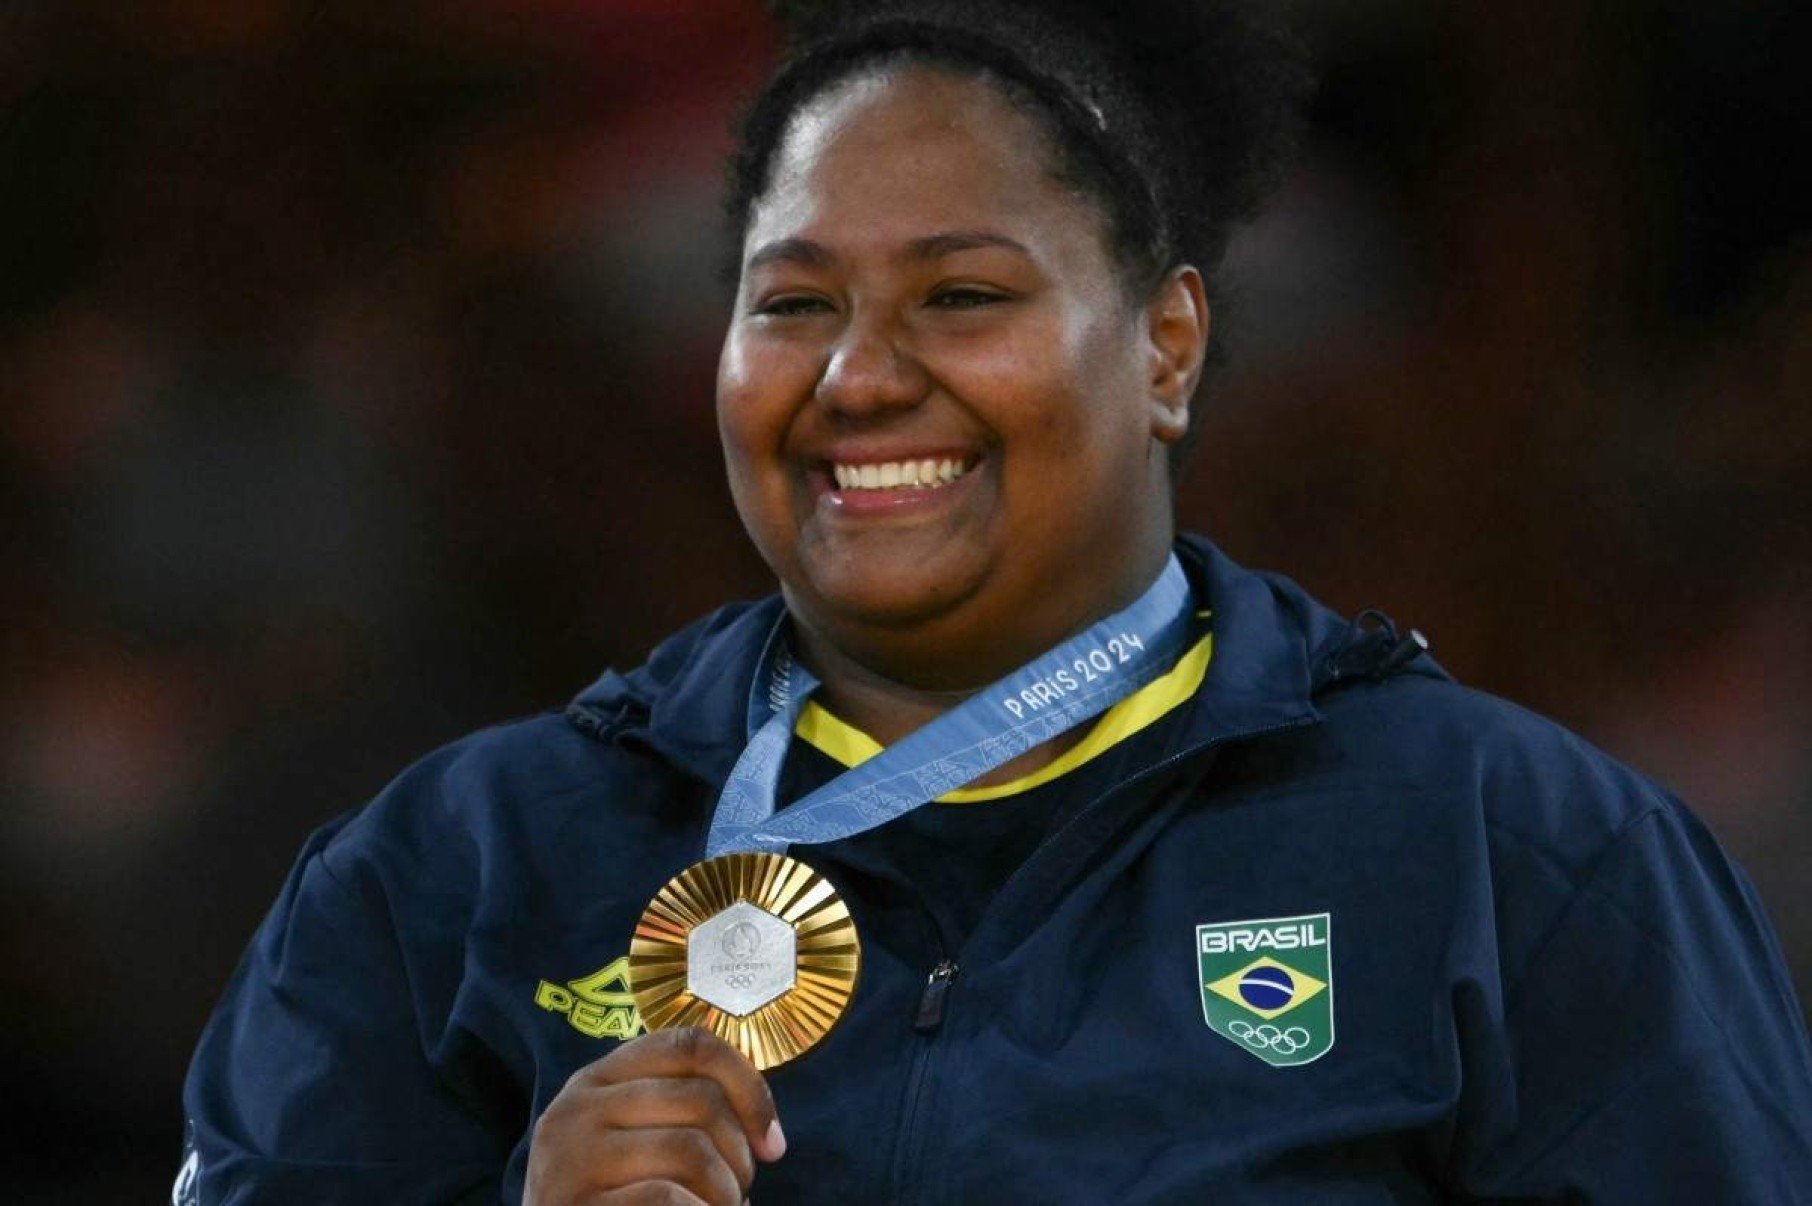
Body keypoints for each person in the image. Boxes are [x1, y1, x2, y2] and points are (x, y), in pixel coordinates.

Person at [180, 1, 1812, 1202]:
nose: (857, 376)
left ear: (1166, 347)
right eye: (793, 302)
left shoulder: (1507, 850)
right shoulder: (457, 869)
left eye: (961, 296)